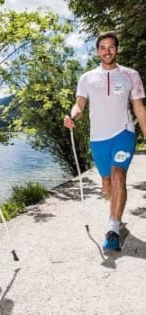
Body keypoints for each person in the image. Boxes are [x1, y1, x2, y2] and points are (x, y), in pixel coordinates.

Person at [64, 31, 146, 251]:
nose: (107, 51)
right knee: (107, 183)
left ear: (117, 49)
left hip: (124, 133)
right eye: (103, 47)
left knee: (119, 177)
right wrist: (72, 116)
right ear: (97, 51)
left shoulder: (131, 75)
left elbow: (139, 108)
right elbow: (79, 104)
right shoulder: (87, 78)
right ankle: (115, 211)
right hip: (98, 138)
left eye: (111, 47)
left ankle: (113, 227)